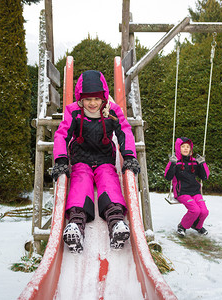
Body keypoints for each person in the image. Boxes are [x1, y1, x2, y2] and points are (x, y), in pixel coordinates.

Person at [51, 70, 140, 253]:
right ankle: (76, 225)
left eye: (97, 99)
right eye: (88, 99)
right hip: (80, 159)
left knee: (109, 181)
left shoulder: (112, 112)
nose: (92, 103)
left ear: (104, 98)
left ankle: (116, 224)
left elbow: (125, 131)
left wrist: (129, 156)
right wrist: (61, 160)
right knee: (80, 183)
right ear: (80, 99)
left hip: (104, 159)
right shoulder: (73, 112)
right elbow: (62, 134)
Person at [164, 137, 210, 237]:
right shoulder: (176, 162)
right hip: (182, 191)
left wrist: (202, 164)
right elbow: (168, 177)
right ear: (178, 148)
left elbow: (205, 176)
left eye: (187, 147)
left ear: (190, 149)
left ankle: (197, 226)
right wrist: (172, 164)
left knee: (204, 211)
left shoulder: (194, 162)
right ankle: (182, 226)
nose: (185, 149)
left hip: (195, 191)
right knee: (195, 210)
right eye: (183, 146)